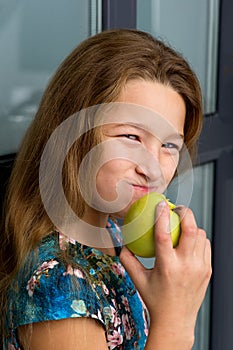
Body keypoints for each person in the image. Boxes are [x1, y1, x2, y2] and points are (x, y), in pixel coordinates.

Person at [0, 29, 212, 350]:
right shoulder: (60, 289)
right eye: (131, 137)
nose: (152, 167)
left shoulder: (109, 228)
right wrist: (177, 320)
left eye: (169, 145)